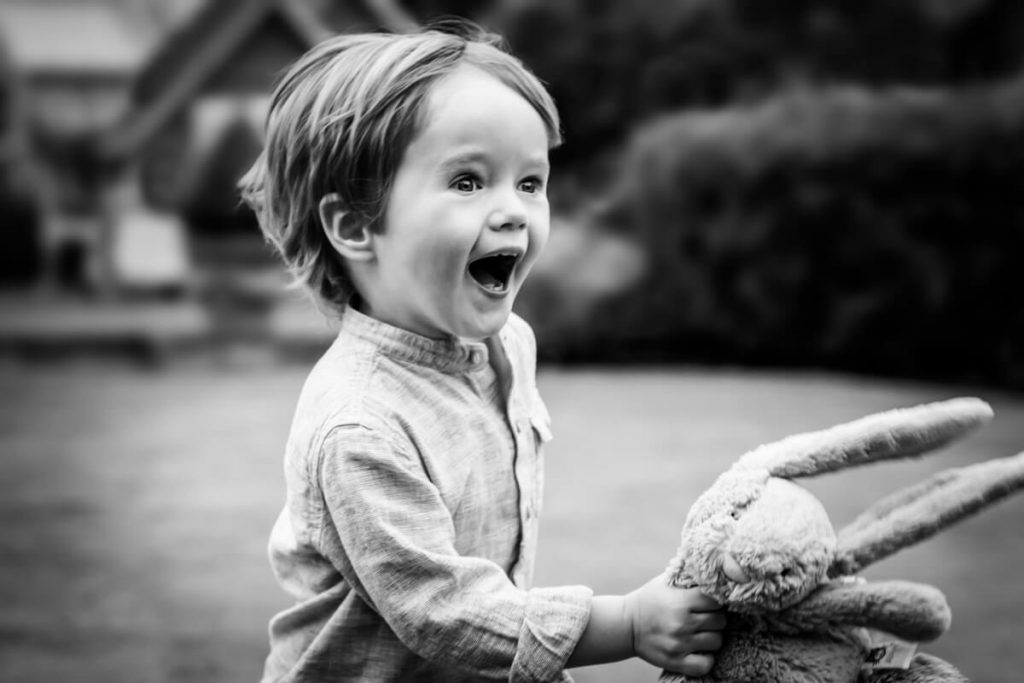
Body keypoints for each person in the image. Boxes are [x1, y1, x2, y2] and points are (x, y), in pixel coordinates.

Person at [240, 22, 725, 682]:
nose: (515, 212)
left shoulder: (506, 343)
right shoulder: (359, 426)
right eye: (468, 182)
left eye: (531, 182)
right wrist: (627, 623)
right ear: (355, 224)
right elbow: (445, 609)